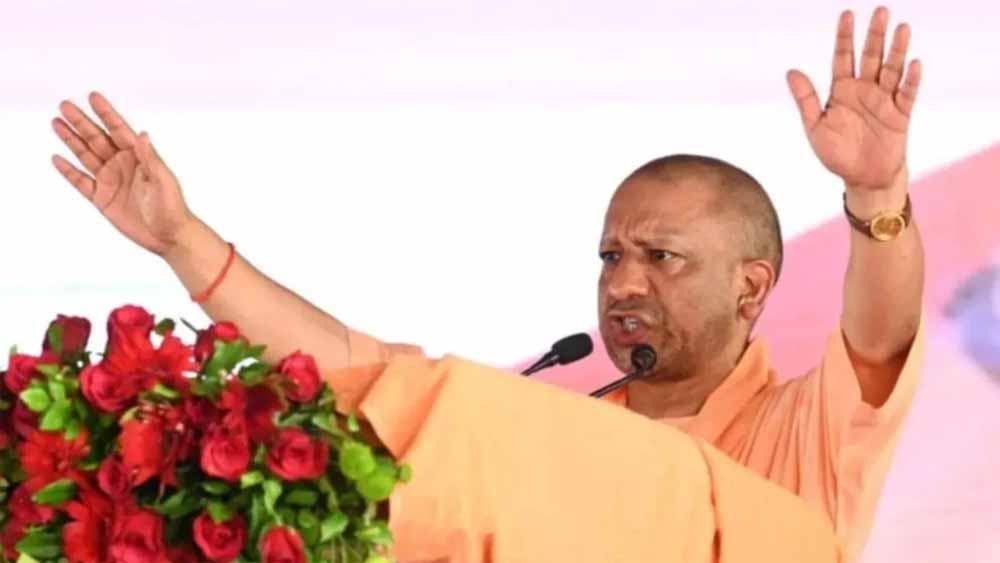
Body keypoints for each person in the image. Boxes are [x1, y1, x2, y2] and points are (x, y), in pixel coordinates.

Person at [48, 6, 923, 561]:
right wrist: (184, 242)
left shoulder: (808, 431)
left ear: (751, 286)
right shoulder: (553, 436)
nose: (623, 283)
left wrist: (877, 194)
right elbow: (358, 371)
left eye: (662, 257)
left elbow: (880, 332)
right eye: (610, 257)